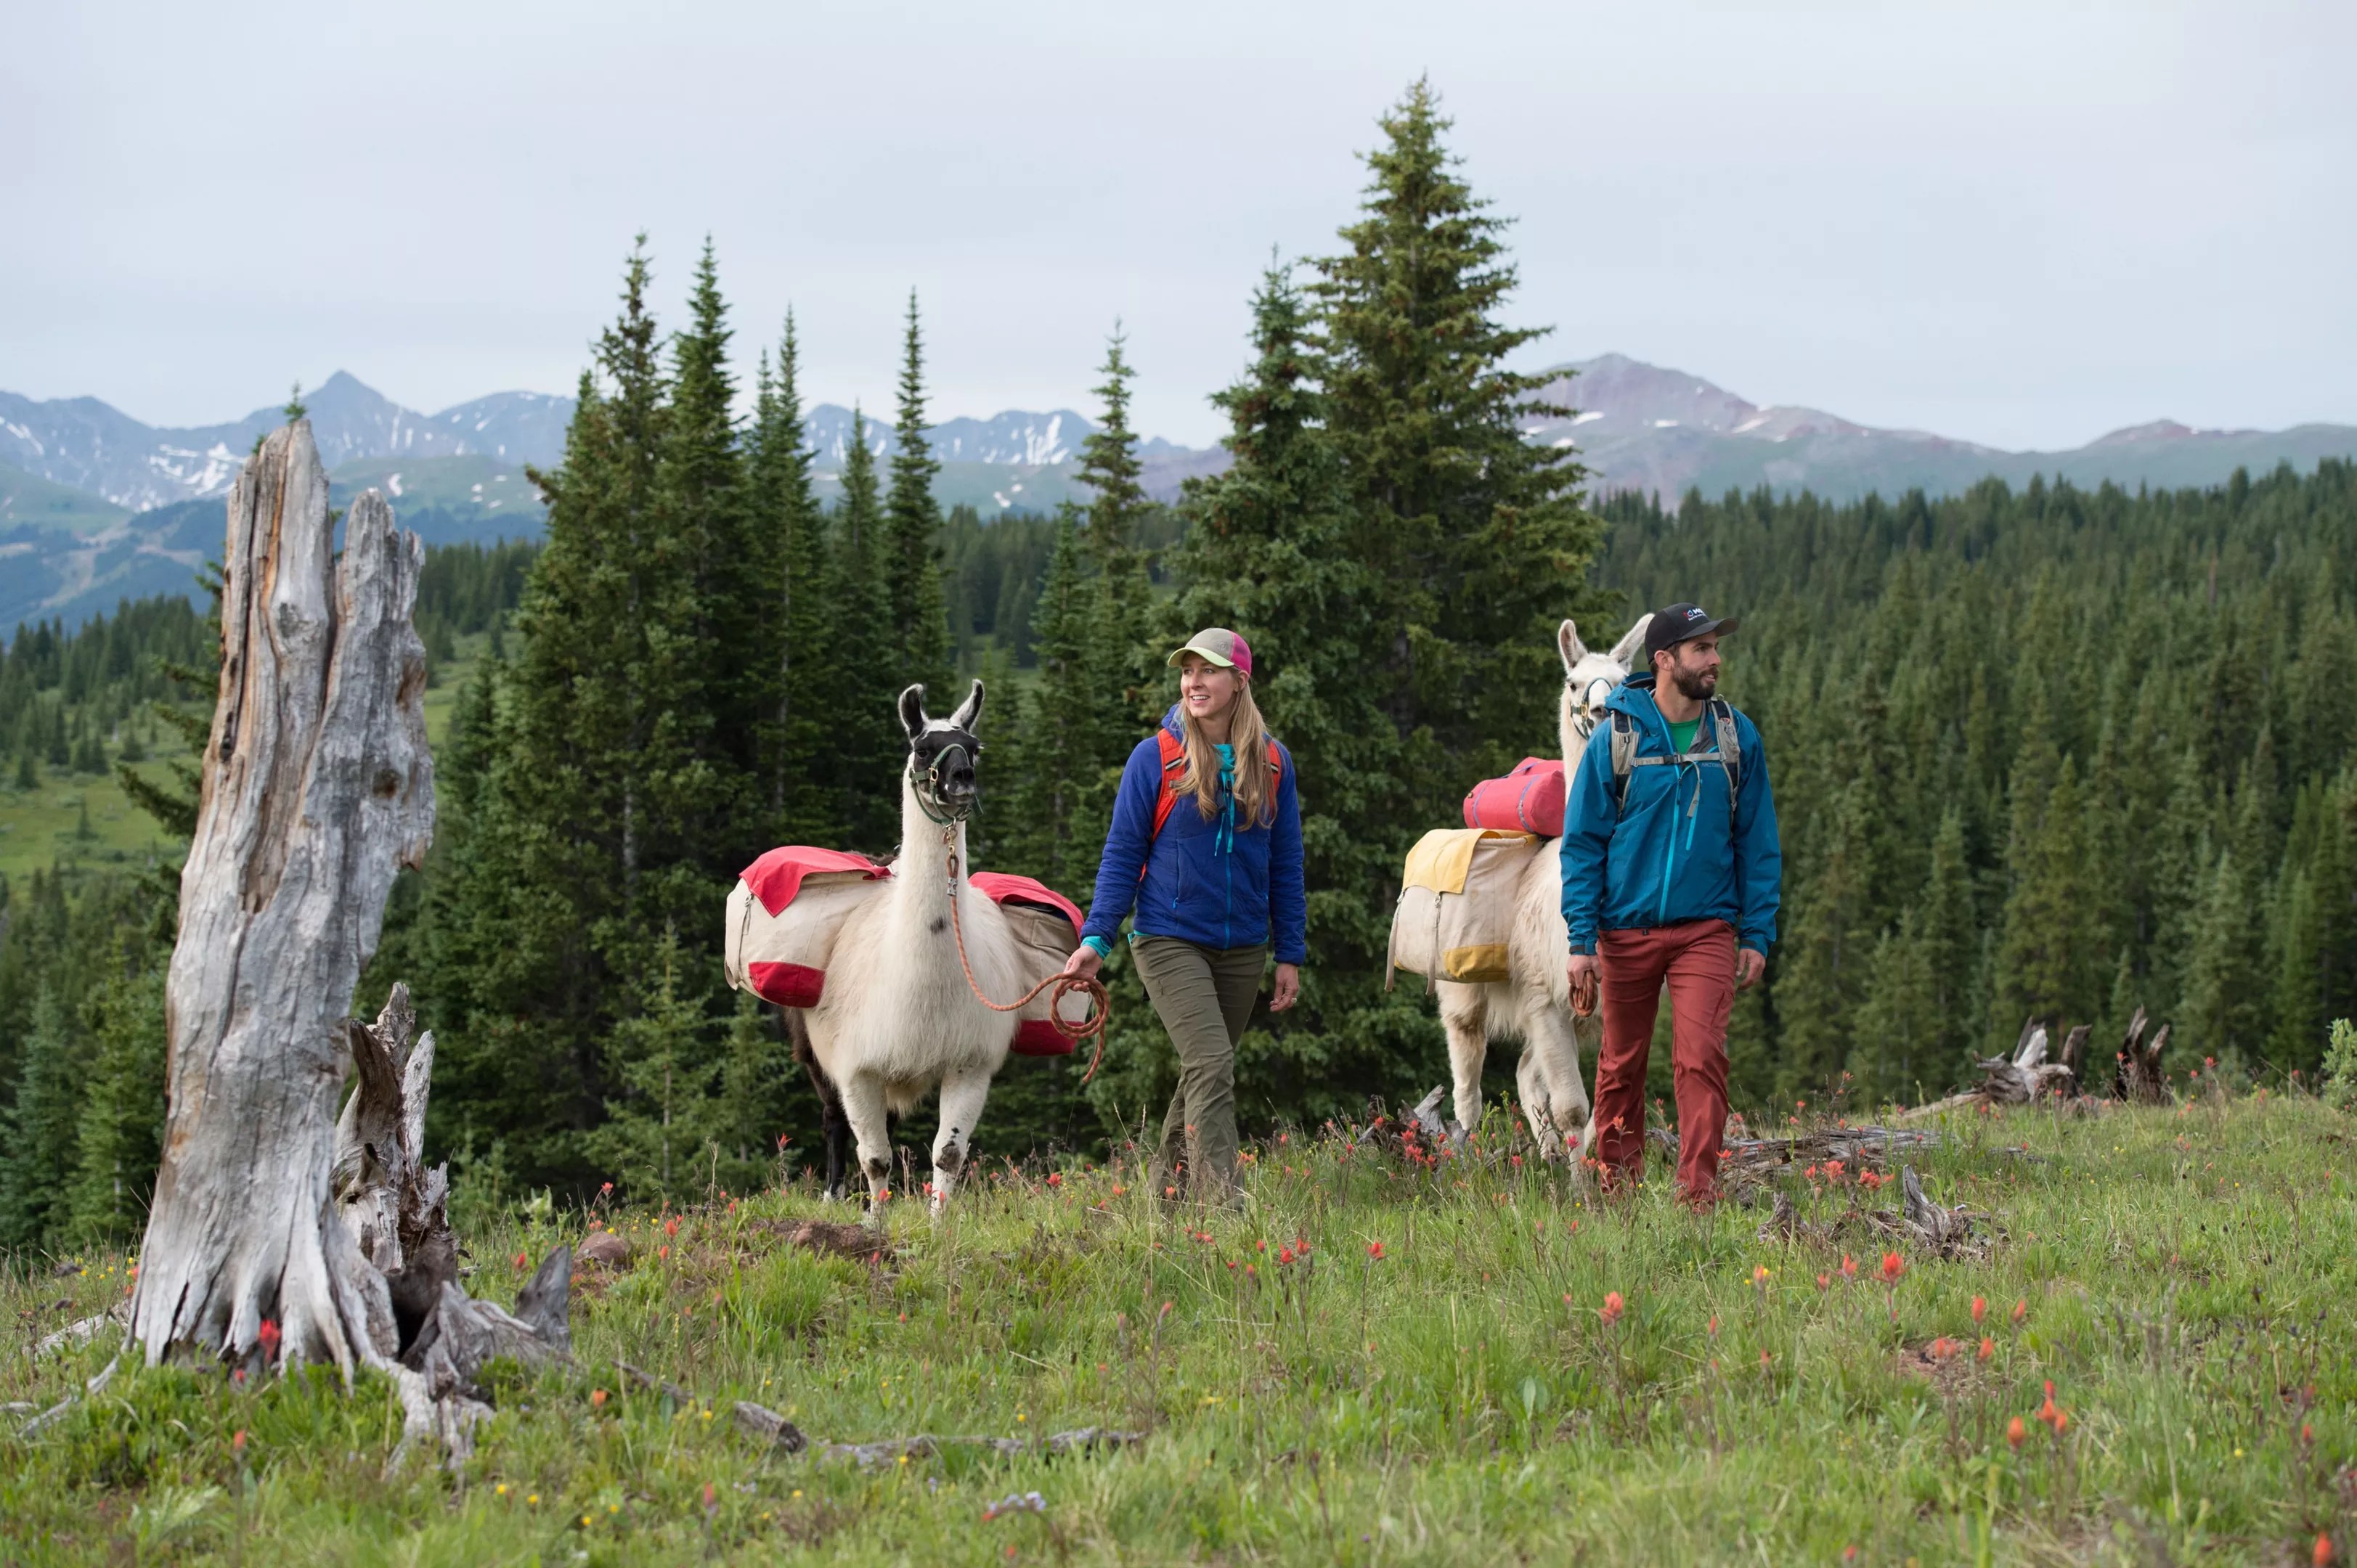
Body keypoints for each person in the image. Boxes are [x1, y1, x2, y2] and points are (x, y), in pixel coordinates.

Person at [1062, 627, 1306, 1203]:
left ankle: (1165, 1207)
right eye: (1187, 671)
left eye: (1208, 670)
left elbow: (1286, 861)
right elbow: (1123, 853)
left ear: (1239, 681)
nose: (1194, 682)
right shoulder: (1156, 757)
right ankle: (1223, 1204)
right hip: (1169, 939)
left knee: (1203, 1073)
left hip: (1245, 945)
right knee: (1212, 1061)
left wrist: (1289, 952)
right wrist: (1097, 939)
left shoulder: (1273, 763)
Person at [1559, 603, 1782, 1206]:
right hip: (1624, 932)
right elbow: (1582, 847)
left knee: (1701, 1059)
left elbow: (1757, 843)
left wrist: (1756, 933)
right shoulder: (1618, 738)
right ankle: (1617, 1195)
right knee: (1620, 1067)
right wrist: (1581, 944)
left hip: (1706, 930)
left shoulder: (1737, 737)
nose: (1715, 659)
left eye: (1714, 647)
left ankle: (1697, 1199)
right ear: (1664, 661)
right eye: (1701, 648)